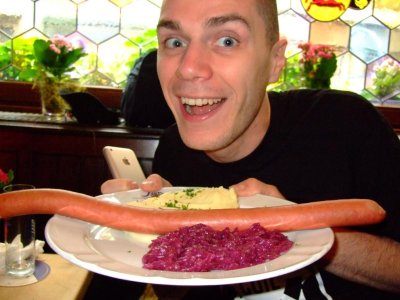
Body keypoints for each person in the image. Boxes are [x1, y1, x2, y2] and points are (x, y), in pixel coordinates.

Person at [102, 0, 400, 299]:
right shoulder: (173, 150)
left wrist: (295, 229)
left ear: (274, 61)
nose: (189, 68)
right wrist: (163, 241)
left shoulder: (345, 123)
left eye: (227, 40)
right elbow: (171, 294)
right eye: (175, 42)